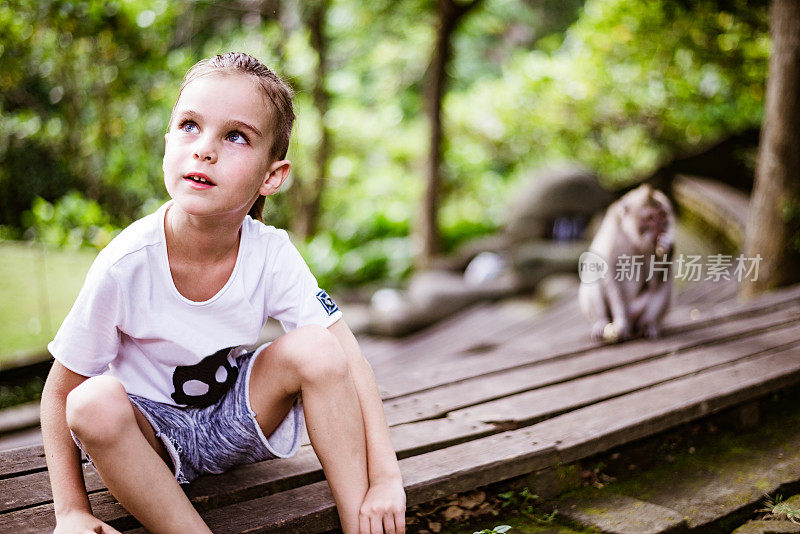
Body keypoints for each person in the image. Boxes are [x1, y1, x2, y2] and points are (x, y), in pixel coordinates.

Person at [40, 52, 406, 534]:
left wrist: (385, 479)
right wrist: (70, 511)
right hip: (149, 441)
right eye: (190, 125)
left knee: (321, 346)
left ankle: (362, 521)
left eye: (235, 136)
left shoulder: (270, 253)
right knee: (91, 403)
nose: (204, 149)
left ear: (272, 176)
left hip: (236, 420)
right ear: (167, 140)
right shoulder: (126, 262)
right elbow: (60, 392)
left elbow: (348, 361)